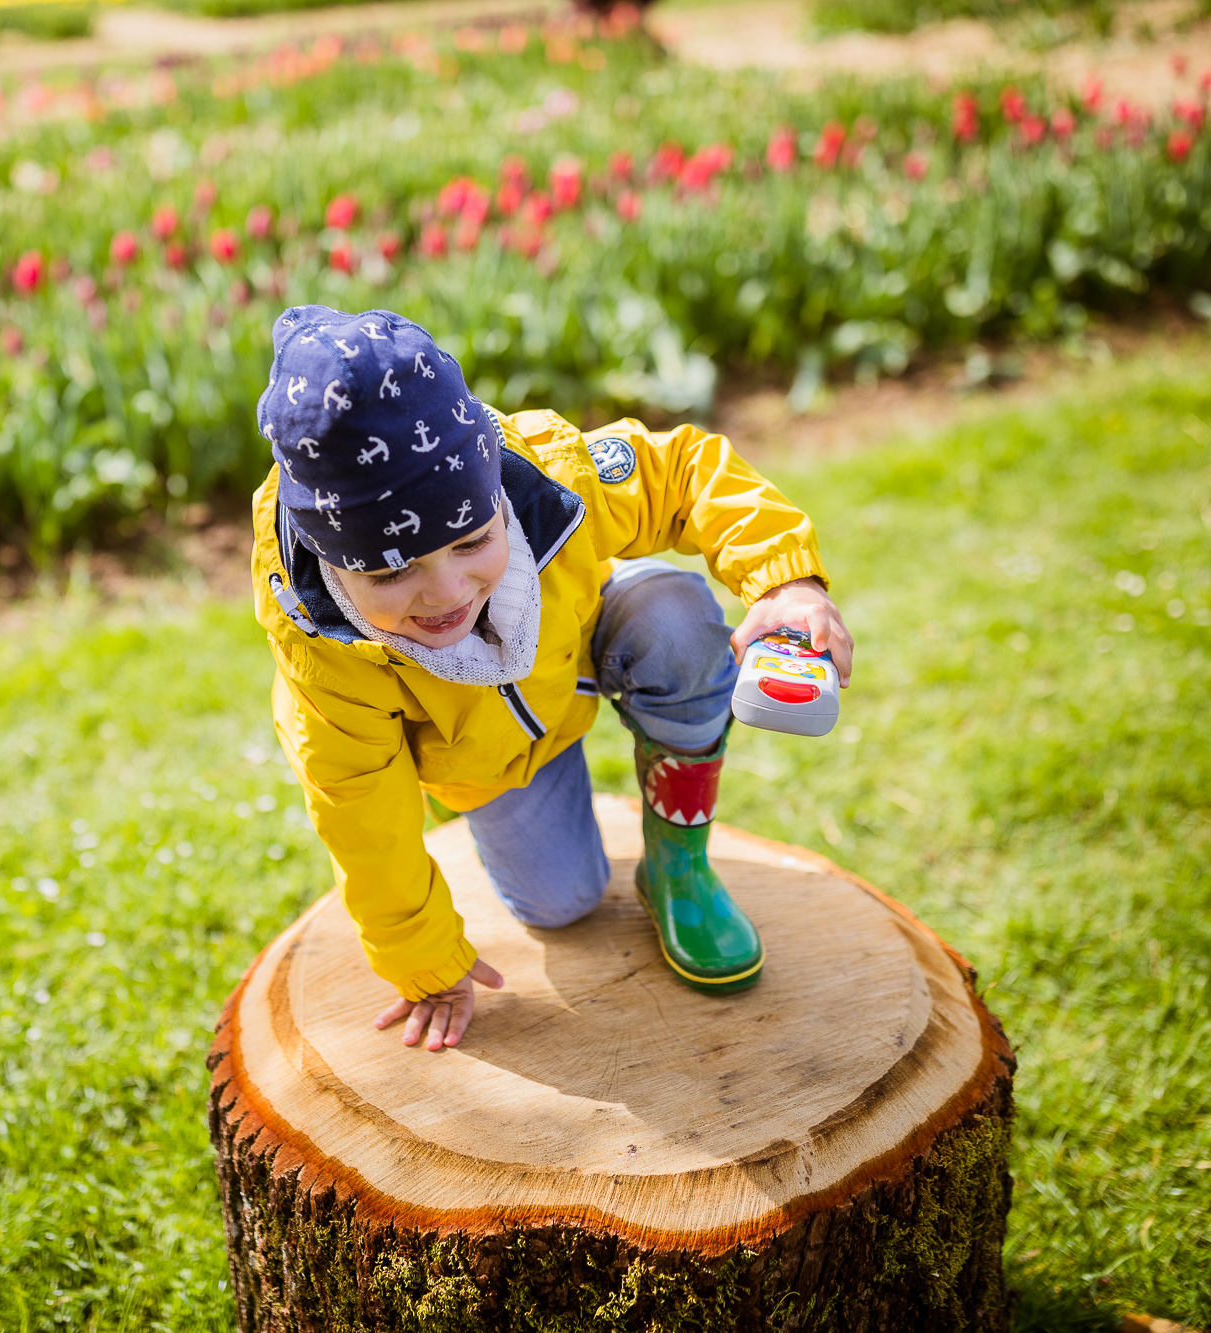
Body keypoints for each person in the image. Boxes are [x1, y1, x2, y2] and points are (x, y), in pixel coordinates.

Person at [251, 305, 853, 1051]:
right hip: (487, 758)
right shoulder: (325, 652)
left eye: (472, 540)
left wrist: (785, 580)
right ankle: (526, 823)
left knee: (676, 619)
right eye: (395, 568)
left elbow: (688, 471)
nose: (446, 594)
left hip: (581, 633)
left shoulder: (549, 474)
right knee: (560, 900)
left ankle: (678, 864)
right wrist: (423, 958)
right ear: (332, 557)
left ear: (497, 499)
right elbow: (357, 813)